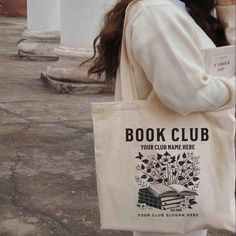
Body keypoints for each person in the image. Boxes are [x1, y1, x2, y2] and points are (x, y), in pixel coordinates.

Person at [85, 0, 235, 235]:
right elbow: (186, 94)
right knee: (170, 223)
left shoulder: (178, 9)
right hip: (173, 148)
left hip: (181, 147)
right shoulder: (157, 11)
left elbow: (225, 66)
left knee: (178, 221)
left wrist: (228, 10)